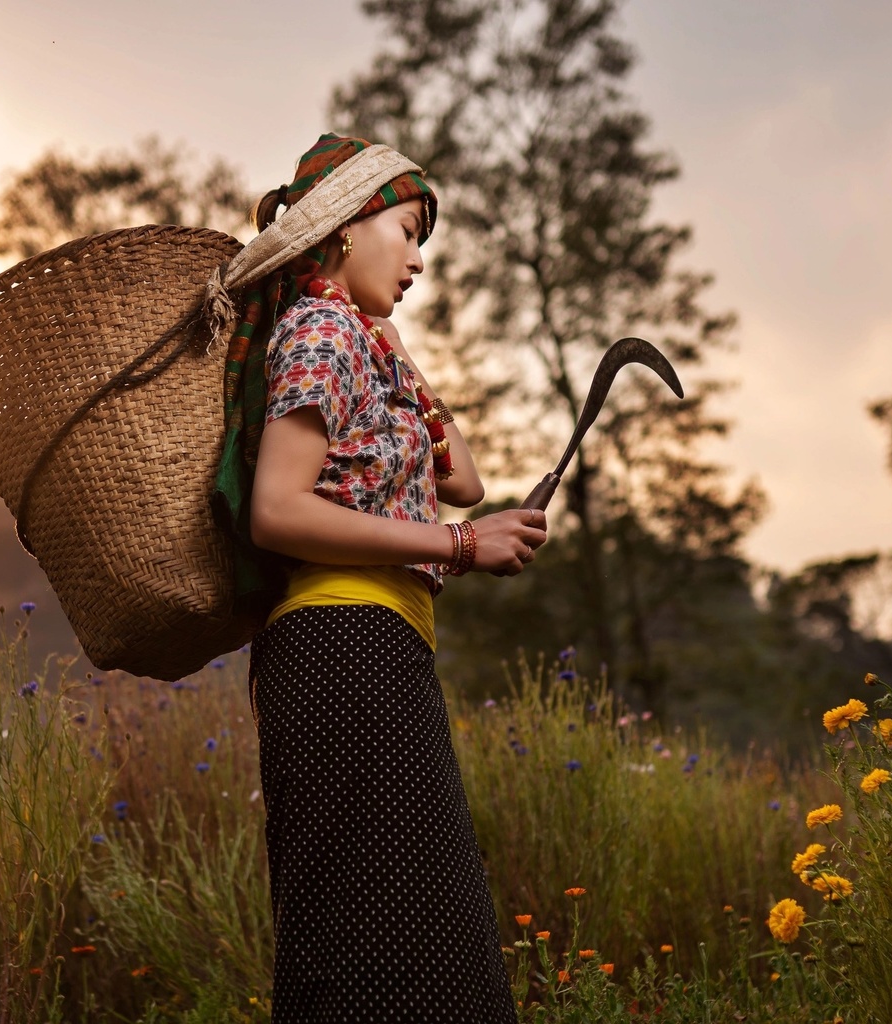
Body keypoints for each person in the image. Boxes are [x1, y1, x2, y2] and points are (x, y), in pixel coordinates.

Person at [217, 134, 544, 1022]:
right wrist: (461, 546)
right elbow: (277, 511)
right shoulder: (321, 332)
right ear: (345, 226)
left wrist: (396, 348)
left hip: (377, 651)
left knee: (422, 934)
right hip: (339, 652)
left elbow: (464, 482)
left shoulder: (356, 341)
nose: (419, 258)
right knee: (372, 944)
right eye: (405, 229)